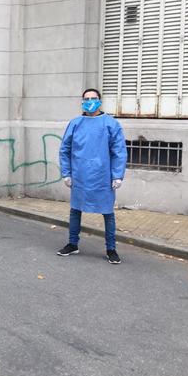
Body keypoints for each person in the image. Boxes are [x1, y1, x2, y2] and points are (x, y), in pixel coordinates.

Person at [57, 88, 127, 264]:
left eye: (93, 98)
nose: (90, 101)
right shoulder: (75, 123)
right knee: (75, 210)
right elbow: (65, 149)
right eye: (86, 99)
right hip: (80, 176)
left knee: (108, 213)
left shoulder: (110, 124)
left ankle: (111, 249)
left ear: (100, 101)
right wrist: (66, 173)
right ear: (82, 102)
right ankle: (73, 244)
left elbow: (119, 151)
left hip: (103, 177)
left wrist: (117, 175)